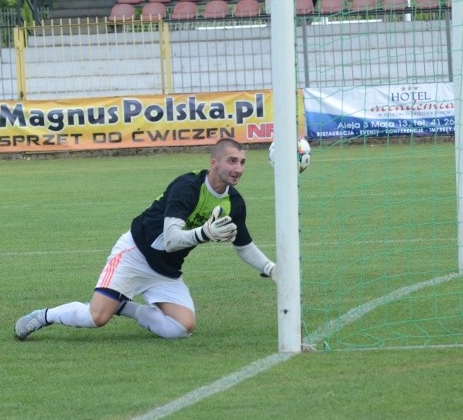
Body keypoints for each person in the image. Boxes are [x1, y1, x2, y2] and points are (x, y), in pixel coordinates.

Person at [14, 138, 276, 340]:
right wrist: (205, 233)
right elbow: (172, 239)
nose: (238, 168)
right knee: (96, 317)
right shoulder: (187, 187)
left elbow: (243, 246)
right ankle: (45, 315)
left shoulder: (235, 203)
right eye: (232, 160)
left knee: (182, 329)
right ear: (214, 162)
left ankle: (126, 307)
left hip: (166, 270)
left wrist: (271, 269)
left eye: (242, 162)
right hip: (135, 253)